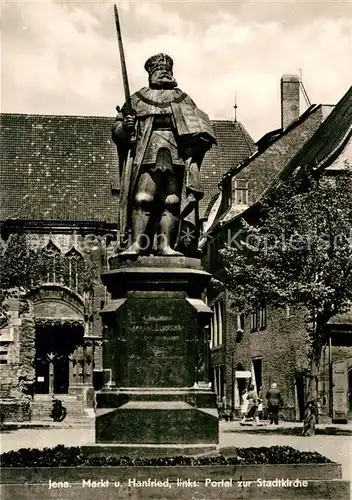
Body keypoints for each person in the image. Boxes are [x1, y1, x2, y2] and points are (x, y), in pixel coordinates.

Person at [112, 53, 216, 257]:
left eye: (167, 70)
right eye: (159, 70)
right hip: (146, 152)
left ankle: (165, 245)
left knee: (172, 200)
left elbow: (202, 129)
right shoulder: (136, 99)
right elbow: (117, 131)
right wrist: (126, 126)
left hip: (176, 154)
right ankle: (137, 244)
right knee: (143, 198)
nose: (164, 73)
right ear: (151, 73)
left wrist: (197, 139)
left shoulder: (184, 99)